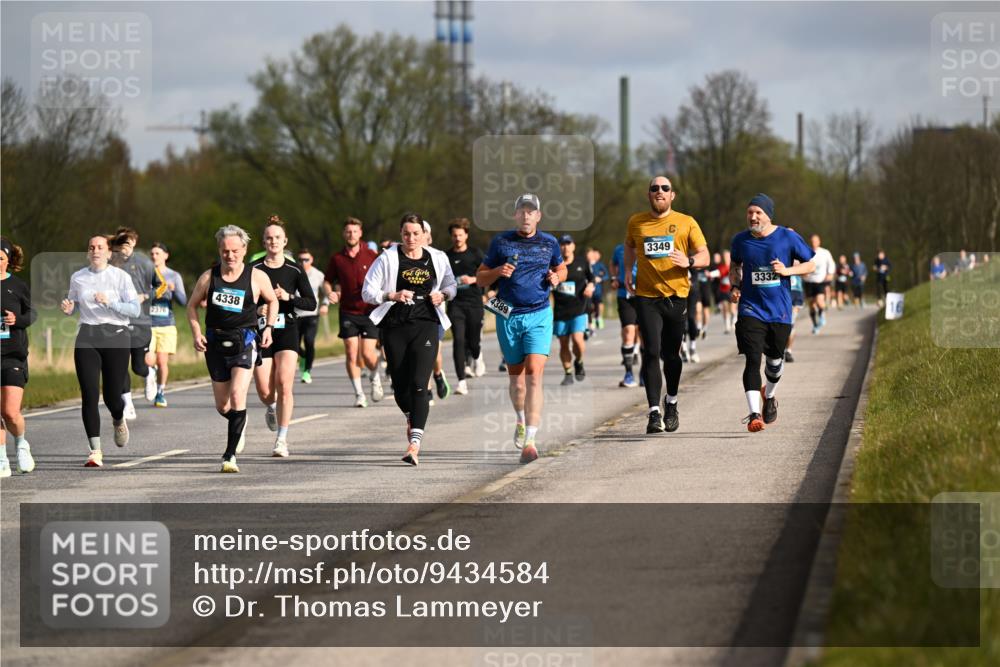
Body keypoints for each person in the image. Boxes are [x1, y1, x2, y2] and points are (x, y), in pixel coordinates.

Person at [477, 193, 566, 463]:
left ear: (538, 215)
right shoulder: (501, 242)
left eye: (531, 211)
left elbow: (562, 270)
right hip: (508, 314)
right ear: (515, 215)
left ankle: (531, 439)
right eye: (522, 211)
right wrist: (496, 273)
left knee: (535, 375)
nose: (526, 216)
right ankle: (519, 419)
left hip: (539, 314)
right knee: (517, 379)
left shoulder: (549, 242)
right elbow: (480, 279)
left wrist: (556, 277)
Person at [362, 213, 457, 465]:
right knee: (401, 386)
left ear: (424, 234)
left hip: (426, 324)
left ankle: (414, 444)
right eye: (406, 234)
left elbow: (451, 284)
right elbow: (367, 291)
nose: (411, 238)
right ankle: (410, 415)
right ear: (401, 234)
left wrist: (443, 295)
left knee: (418, 383)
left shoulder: (437, 257)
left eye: (416, 233)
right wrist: (391, 295)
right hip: (394, 326)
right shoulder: (388, 258)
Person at [188, 225, 278, 473]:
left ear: (244, 249)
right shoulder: (209, 277)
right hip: (215, 343)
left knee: (239, 395)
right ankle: (240, 418)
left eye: (235, 251)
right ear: (219, 250)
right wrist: (196, 333)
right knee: (223, 406)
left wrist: (268, 327)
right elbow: (192, 306)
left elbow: (273, 301)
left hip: (245, 340)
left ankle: (229, 456)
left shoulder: (256, 277)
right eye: (225, 251)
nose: (230, 256)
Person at [624, 176, 709, 434]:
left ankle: (671, 402)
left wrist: (690, 262)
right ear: (648, 194)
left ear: (672, 195)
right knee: (651, 351)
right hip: (647, 297)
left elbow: (704, 254)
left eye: (665, 188)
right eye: (654, 188)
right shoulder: (636, 222)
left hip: (676, 296)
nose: (659, 191)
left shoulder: (686, 222)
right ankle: (653, 412)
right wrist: (628, 269)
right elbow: (629, 246)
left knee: (671, 355)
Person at [730, 194, 815, 432]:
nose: (753, 217)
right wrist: (736, 286)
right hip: (750, 308)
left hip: (779, 312)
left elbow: (811, 264)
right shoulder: (740, 241)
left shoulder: (787, 237)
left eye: (758, 212)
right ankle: (754, 413)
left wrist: (786, 270)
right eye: (750, 212)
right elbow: (735, 266)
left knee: (775, 363)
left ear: (768, 215)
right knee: (752, 358)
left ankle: (770, 394)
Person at [61, 235, 139, 467]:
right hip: (87, 336)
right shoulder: (79, 277)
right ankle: (95, 450)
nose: (95, 250)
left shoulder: (120, 277)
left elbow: (134, 310)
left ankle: (118, 418)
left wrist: (110, 303)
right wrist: (68, 308)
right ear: (88, 252)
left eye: (100, 247)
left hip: (116, 336)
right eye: (91, 247)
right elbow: (72, 302)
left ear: (108, 253)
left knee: (113, 397)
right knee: (89, 394)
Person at [251, 216, 317, 458]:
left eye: (277, 237)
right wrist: (258, 309)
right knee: (264, 389)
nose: (273, 241)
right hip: (261, 331)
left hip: (288, 329)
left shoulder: (294, 270)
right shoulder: (254, 269)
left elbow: (311, 302)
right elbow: (245, 301)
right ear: (264, 241)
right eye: (269, 238)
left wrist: (289, 297)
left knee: (284, 384)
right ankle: (270, 406)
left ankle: (282, 439)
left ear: (284, 241)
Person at [324, 218, 384, 408]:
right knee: (351, 353)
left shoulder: (371, 255)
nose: (351, 235)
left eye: (354, 231)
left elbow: (383, 279)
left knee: (367, 354)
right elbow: (327, 281)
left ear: (360, 233)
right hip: (348, 311)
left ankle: (375, 377)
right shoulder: (337, 258)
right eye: (348, 232)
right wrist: (330, 293)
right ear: (344, 234)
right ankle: (359, 394)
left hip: (369, 311)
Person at [110, 227, 157, 418]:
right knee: (120, 365)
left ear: (134, 243)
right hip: (118, 322)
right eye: (121, 244)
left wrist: (146, 296)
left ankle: (149, 374)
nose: (124, 248)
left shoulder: (144, 262)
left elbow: (161, 287)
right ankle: (127, 403)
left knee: (138, 367)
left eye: (128, 244)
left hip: (141, 322)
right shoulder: (111, 263)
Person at [1, 238, 36, 476]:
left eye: (0, 258)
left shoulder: (18, 286)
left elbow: (32, 314)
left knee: (10, 412)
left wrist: (17, 320)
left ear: (8, 260)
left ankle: (22, 443)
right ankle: (1, 458)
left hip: (13, 354)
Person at [445, 218, 486, 395]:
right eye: (454, 235)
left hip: (475, 302)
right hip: (456, 304)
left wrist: (474, 280)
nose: (457, 238)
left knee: (474, 341)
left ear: (466, 235)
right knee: (459, 341)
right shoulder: (446, 256)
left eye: (460, 235)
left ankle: (477, 355)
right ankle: (461, 381)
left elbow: (488, 274)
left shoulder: (476, 254)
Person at [145, 242, 187, 407]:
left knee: (162, 361)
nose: (154, 256)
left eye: (157, 253)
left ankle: (160, 392)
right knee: (148, 360)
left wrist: (174, 290)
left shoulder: (174, 276)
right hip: (148, 324)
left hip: (167, 324)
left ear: (165, 256)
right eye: (152, 253)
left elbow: (183, 301)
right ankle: (150, 374)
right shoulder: (145, 274)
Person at [552, 235, 595, 385]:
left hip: (579, 308)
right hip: (560, 310)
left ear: (573, 246)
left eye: (568, 244)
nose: (565, 247)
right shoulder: (553, 265)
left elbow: (592, 279)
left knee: (577, 339)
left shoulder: (582, 263)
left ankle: (579, 360)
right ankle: (568, 373)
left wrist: (590, 286)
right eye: (562, 244)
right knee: (563, 343)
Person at [294, 248, 328, 384]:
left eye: (306, 260)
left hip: (312, 314)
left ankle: (307, 371)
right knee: (294, 345)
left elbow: (326, 292)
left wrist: (325, 304)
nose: (303, 263)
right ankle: (303, 357)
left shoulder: (318, 275)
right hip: (295, 314)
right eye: (300, 260)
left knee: (309, 341)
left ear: (311, 259)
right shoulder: (294, 272)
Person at [609, 243, 640, 387]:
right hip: (624, 294)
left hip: (644, 295)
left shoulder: (648, 243)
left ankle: (645, 373)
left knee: (643, 334)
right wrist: (614, 277)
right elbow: (612, 263)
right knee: (628, 332)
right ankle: (629, 374)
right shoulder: (619, 249)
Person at [802, 234, 835, 334]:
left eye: (815, 241)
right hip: (808, 282)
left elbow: (831, 264)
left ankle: (822, 315)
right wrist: (802, 274)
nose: (814, 243)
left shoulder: (825, 252)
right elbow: (800, 264)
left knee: (820, 301)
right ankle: (815, 325)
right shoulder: (805, 252)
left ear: (819, 242)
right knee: (812, 305)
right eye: (812, 241)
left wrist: (830, 274)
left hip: (820, 281)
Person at [785, 261, 806, 363]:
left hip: (797, 294)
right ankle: (783, 349)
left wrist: (799, 267)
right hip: (784, 293)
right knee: (783, 324)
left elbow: (807, 273)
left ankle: (788, 351)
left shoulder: (799, 256)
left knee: (791, 324)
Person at [588, 247, 609, 330]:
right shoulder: (586, 264)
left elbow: (606, 275)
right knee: (591, 306)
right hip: (589, 290)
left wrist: (600, 279)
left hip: (598, 290)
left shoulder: (600, 265)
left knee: (598, 304)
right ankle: (592, 320)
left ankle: (599, 317)